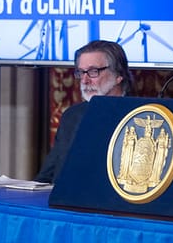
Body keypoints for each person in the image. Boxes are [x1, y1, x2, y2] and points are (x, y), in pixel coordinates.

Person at [34, 40, 133, 183]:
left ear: (118, 75)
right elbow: (48, 175)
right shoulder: (72, 116)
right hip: (64, 201)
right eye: (81, 72)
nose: (84, 80)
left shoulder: (139, 116)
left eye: (93, 72)